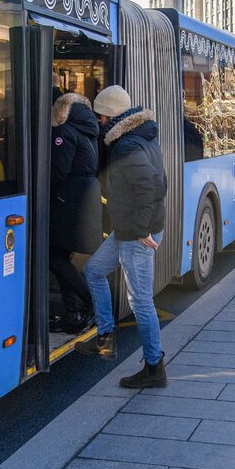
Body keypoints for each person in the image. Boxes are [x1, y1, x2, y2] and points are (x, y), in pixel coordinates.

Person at [74, 85, 169, 389]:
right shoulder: (138, 136)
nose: (99, 122)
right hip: (128, 229)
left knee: (140, 300)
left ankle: (154, 368)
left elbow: (152, 187)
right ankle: (105, 336)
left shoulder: (127, 145)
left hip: (136, 234)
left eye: (101, 116)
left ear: (111, 115)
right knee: (94, 271)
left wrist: (142, 230)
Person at [48, 91, 103, 334]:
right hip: (82, 198)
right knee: (60, 255)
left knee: (53, 256)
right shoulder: (86, 130)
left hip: (68, 200)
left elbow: (59, 170)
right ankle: (72, 313)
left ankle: (90, 301)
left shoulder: (64, 132)